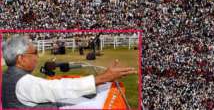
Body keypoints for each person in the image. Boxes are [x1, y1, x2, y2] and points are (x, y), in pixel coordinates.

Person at [2, 35, 137, 108]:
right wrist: (102, 78)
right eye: (35, 52)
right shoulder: (23, 82)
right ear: (21, 58)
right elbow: (59, 88)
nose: (37, 56)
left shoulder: (9, 76)